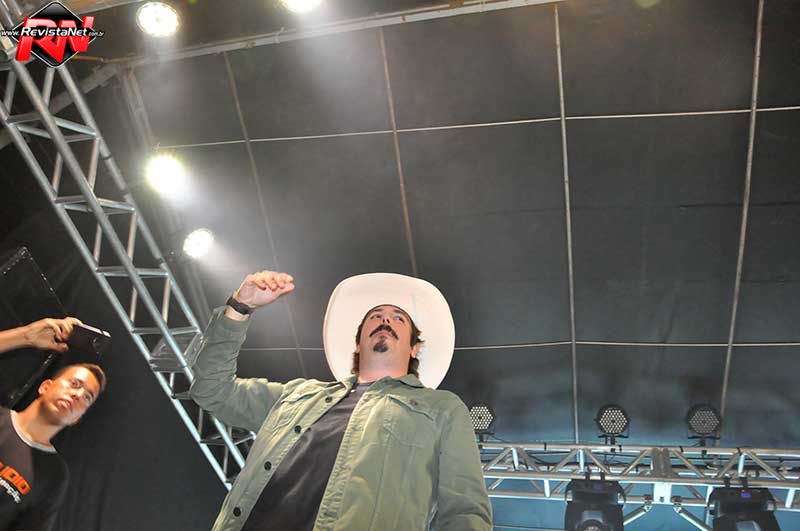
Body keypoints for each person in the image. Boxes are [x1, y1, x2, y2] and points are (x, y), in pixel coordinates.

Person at [190, 270, 492, 531]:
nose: (385, 319)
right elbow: (212, 390)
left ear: (415, 348)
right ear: (358, 343)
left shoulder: (442, 409)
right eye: (375, 316)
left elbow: (464, 511)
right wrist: (239, 307)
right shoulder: (296, 394)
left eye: (399, 318)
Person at [0, 318, 106, 531]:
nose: (77, 395)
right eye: (74, 384)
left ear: (77, 418)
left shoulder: (53, 475)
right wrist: (25, 336)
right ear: (45, 386)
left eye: (87, 397)